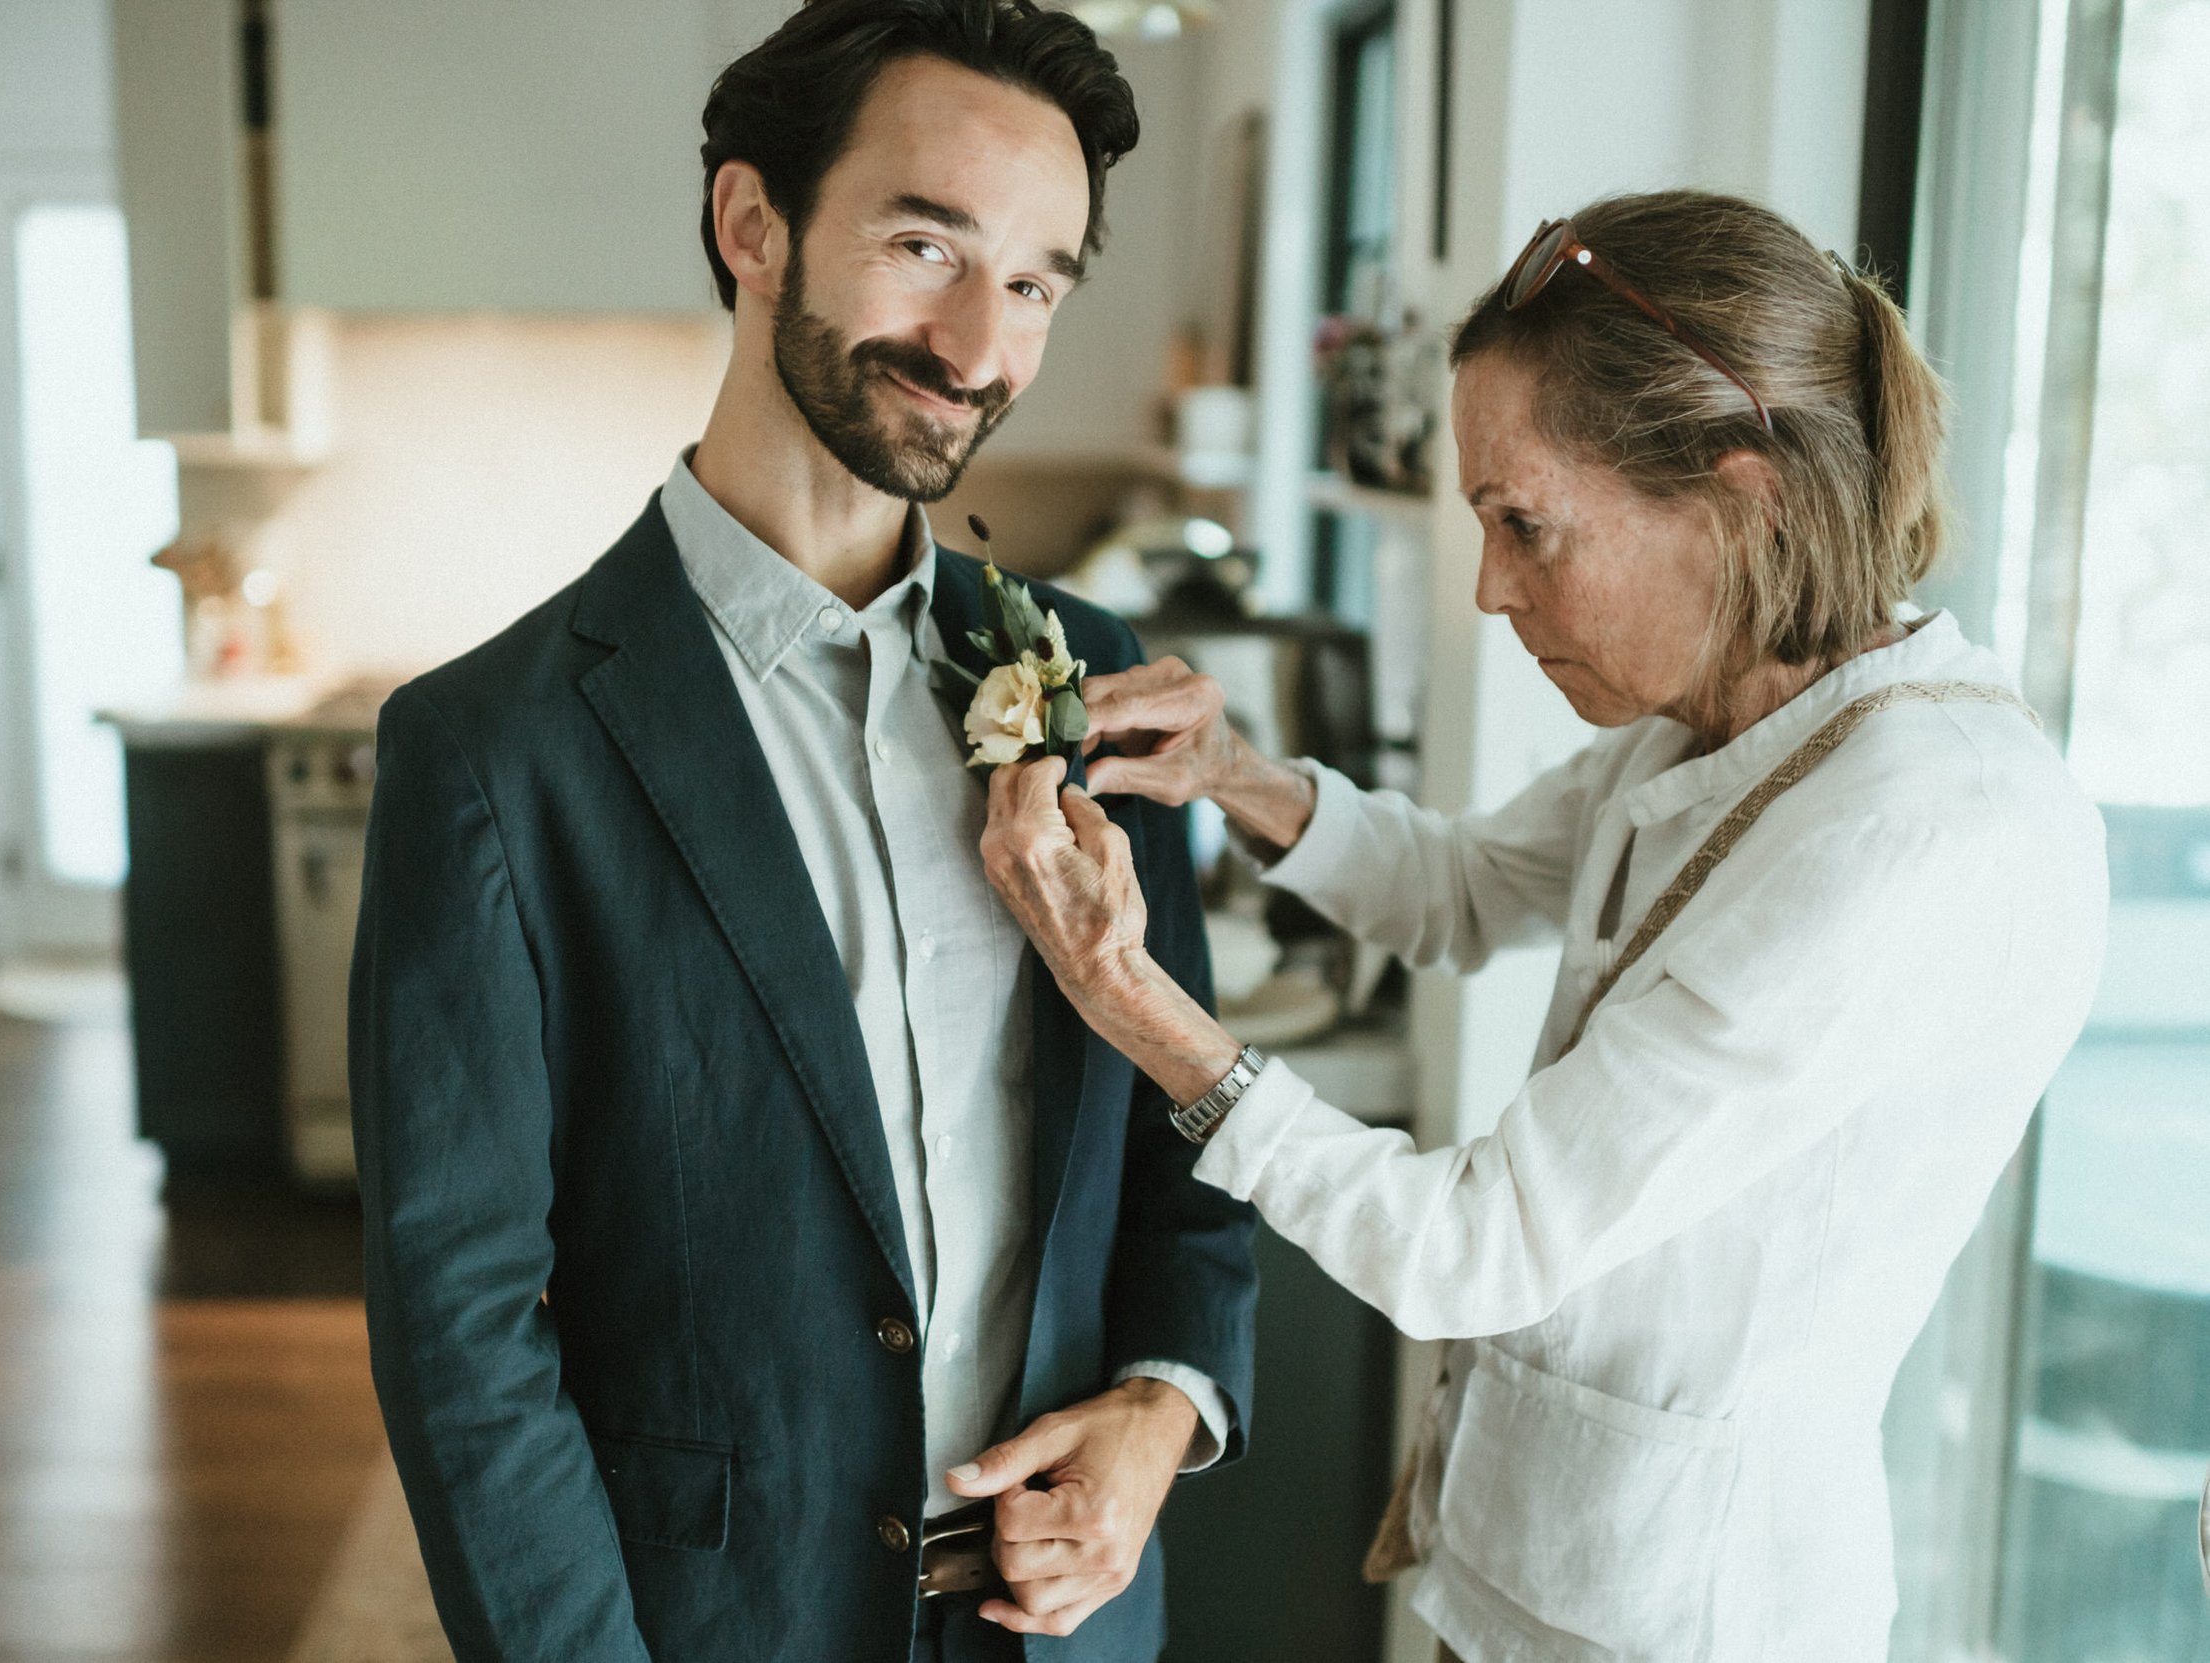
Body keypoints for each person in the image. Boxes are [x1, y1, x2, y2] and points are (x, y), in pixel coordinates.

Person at [978, 190, 2109, 1662]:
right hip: (1517, 1573)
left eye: (1526, 525)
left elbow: (1470, 1250)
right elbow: (1459, 888)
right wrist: (1231, 774)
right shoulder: (1719, 719)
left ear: (1741, 495)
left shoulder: (1910, 830)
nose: (1492, 588)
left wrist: (1126, 993)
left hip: (1679, 1620)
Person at [347, 4, 1256, 1661]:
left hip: (1069, 1634)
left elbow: (1187, 1134)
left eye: (1038, 281)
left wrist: (1165, 1406)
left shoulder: (1094, 682)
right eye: (928, 244)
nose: (982, 345)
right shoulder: (489, 750)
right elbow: (458, 1326)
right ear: (752, 225)